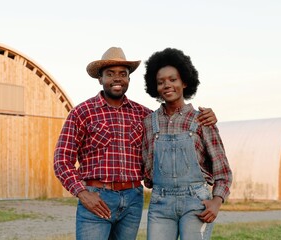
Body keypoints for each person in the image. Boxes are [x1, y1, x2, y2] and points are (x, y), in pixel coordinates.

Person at [53, 47, 217, 240]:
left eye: (123, 74)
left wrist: (207, 117)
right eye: (110, 74)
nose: (117, 78)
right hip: (96, 198)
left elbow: (172, 120)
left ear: (129, 79)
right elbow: (62, 160)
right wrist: (81, 192)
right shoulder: (83, 112)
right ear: (100, 79)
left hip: (132, 199)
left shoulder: (144, 115)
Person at [142, 48, 233, 240]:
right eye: (161, 82)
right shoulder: (149, 122)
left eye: (173, 79)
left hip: (196, 202)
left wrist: (216, 201)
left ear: (184, 82)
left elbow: (222, 170)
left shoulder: (202, 120)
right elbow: (147, 167)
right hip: (160, 203)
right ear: (155, 87)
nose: (167, 85)